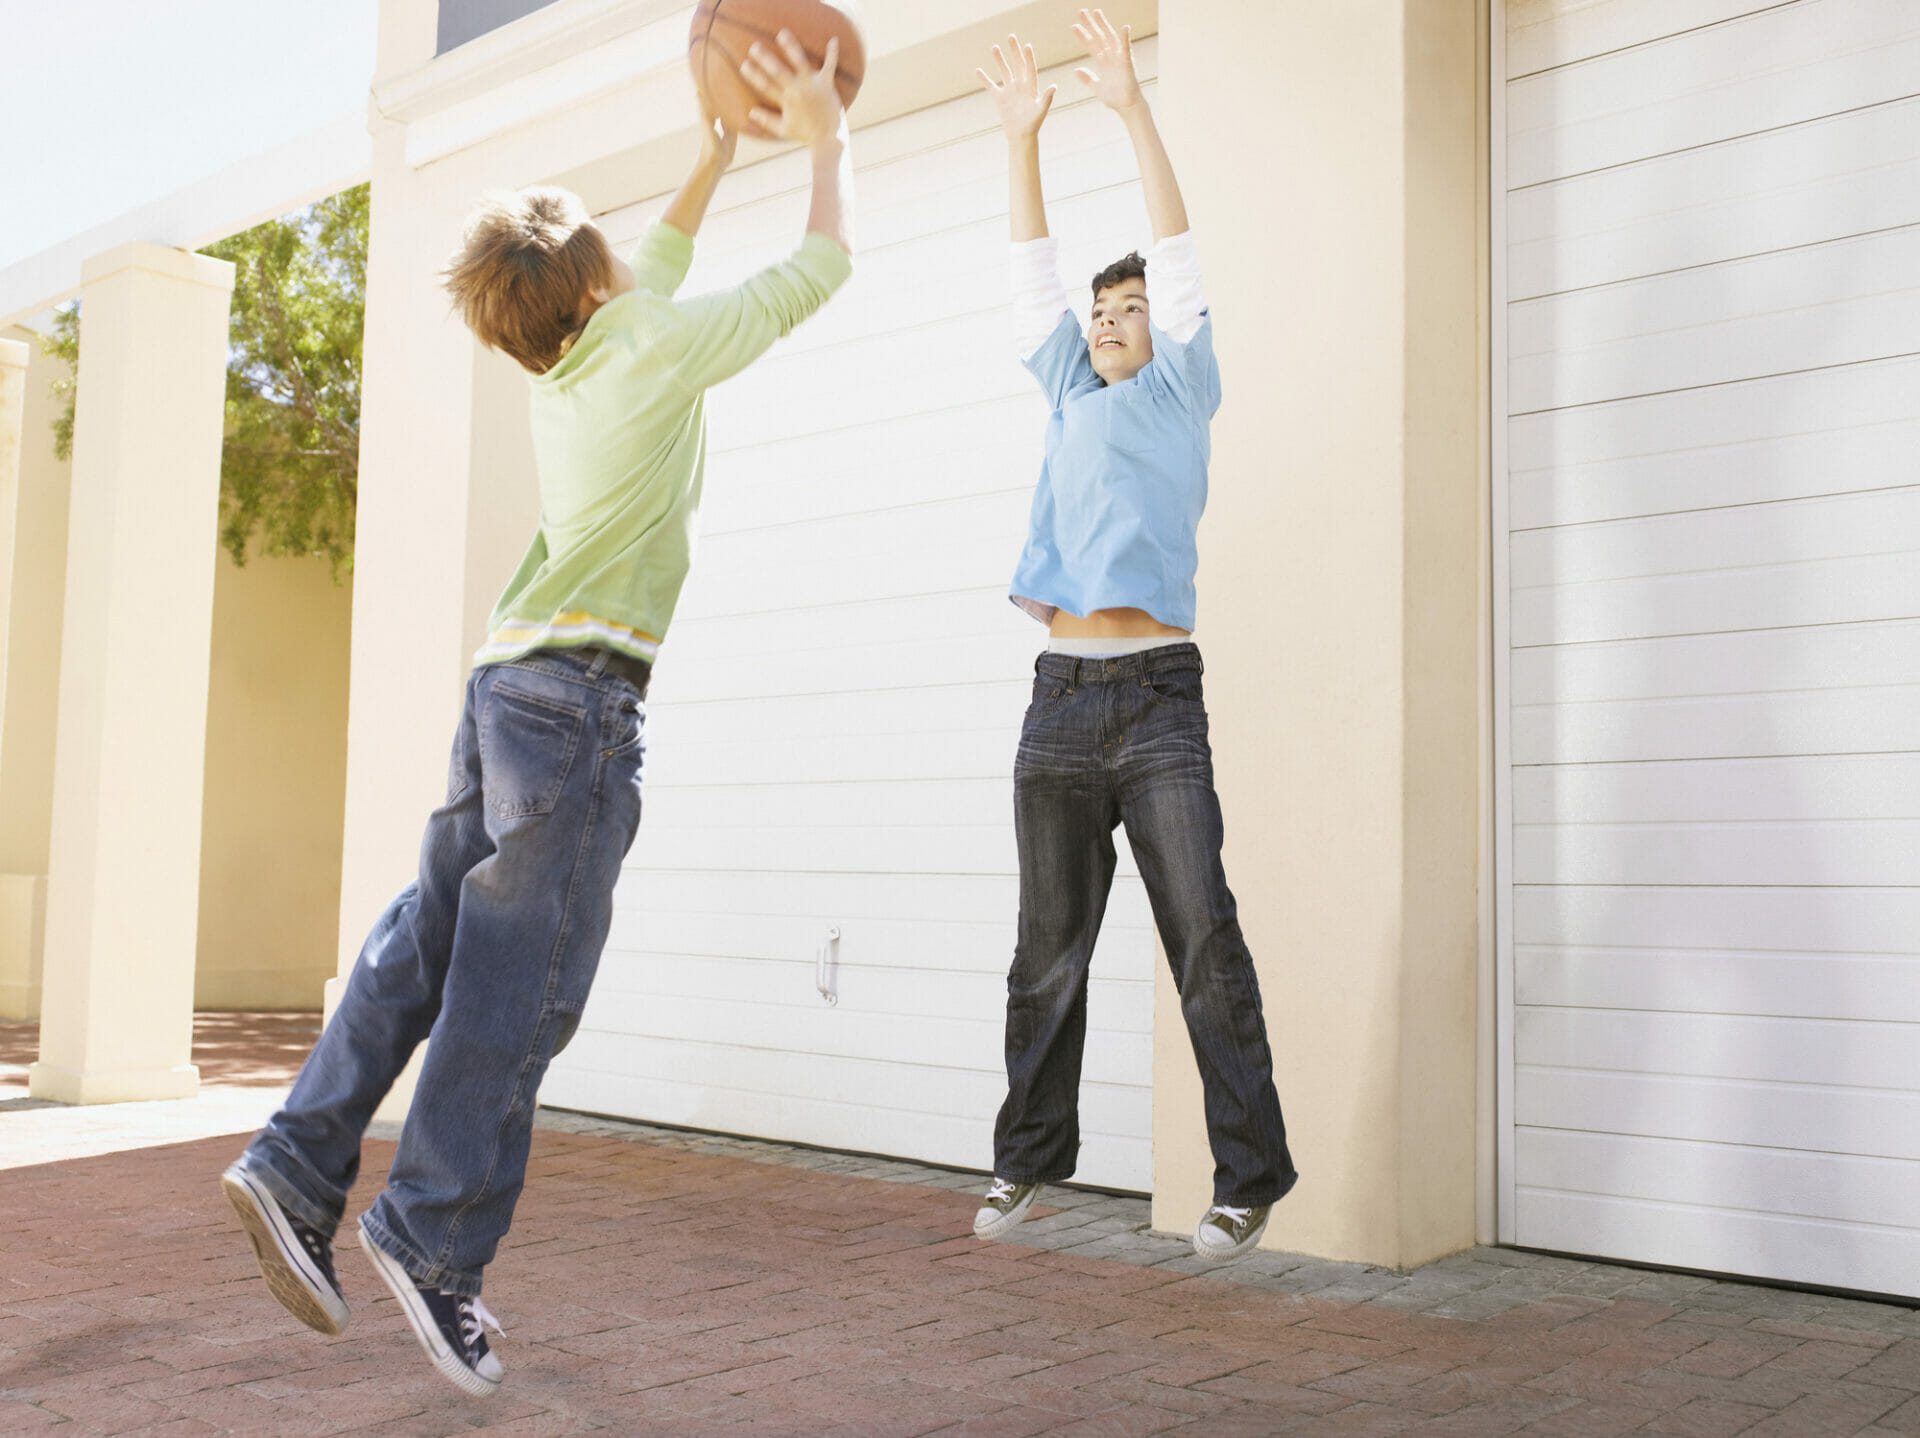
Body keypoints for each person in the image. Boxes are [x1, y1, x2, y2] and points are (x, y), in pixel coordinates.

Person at [219, 33, 855, 1397]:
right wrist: (820, 138)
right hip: (576, 714)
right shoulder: (653, 347)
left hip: (501, 685)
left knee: (423, 942)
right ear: (592, 281)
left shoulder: (585, 359)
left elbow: (659, 269)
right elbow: (818, 272)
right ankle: (428, 1235)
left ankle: (293, 1161)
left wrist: (712, 151)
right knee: (522, 989)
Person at [971, 10, 1298, 1263]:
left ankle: (1249, 1174)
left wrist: (1128, 107)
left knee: (1200, 931)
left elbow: (1178, 246)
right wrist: (1021, 141)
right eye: (1102, 308)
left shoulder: (1180, 386)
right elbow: (1029, 274)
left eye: (1130, 305)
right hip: (1059, 699)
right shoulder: (1064, 385)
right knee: (1044, 954)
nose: (1109, 317)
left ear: (1166, 330)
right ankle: (1028, 1162)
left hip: (1158, 698)